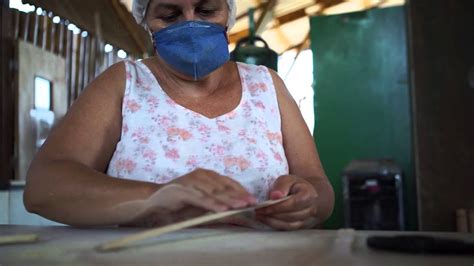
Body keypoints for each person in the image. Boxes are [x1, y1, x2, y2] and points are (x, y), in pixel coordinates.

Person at [24, 0, 334, 230]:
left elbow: (320, 190)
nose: (190, 24)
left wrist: (306, 201)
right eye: (170, 15)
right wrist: (157, 197)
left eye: (207, 11)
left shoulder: (267, 87)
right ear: (147, 21)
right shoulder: (124, 85)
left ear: (228, 13)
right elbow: (44, 187)